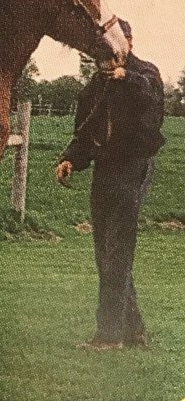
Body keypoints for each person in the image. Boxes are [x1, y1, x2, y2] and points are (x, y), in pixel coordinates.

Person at [56, 19, 165, 349]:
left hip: (132, 168)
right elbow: (86, 132)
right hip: (105, 169)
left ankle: (109, 336)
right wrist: (71, 158)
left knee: (116, 252)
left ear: (128, 42)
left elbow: (151, 97)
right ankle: (132, 331)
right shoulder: (96, 85)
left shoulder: (145, 73)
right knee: (106, 253)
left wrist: (125, 77)